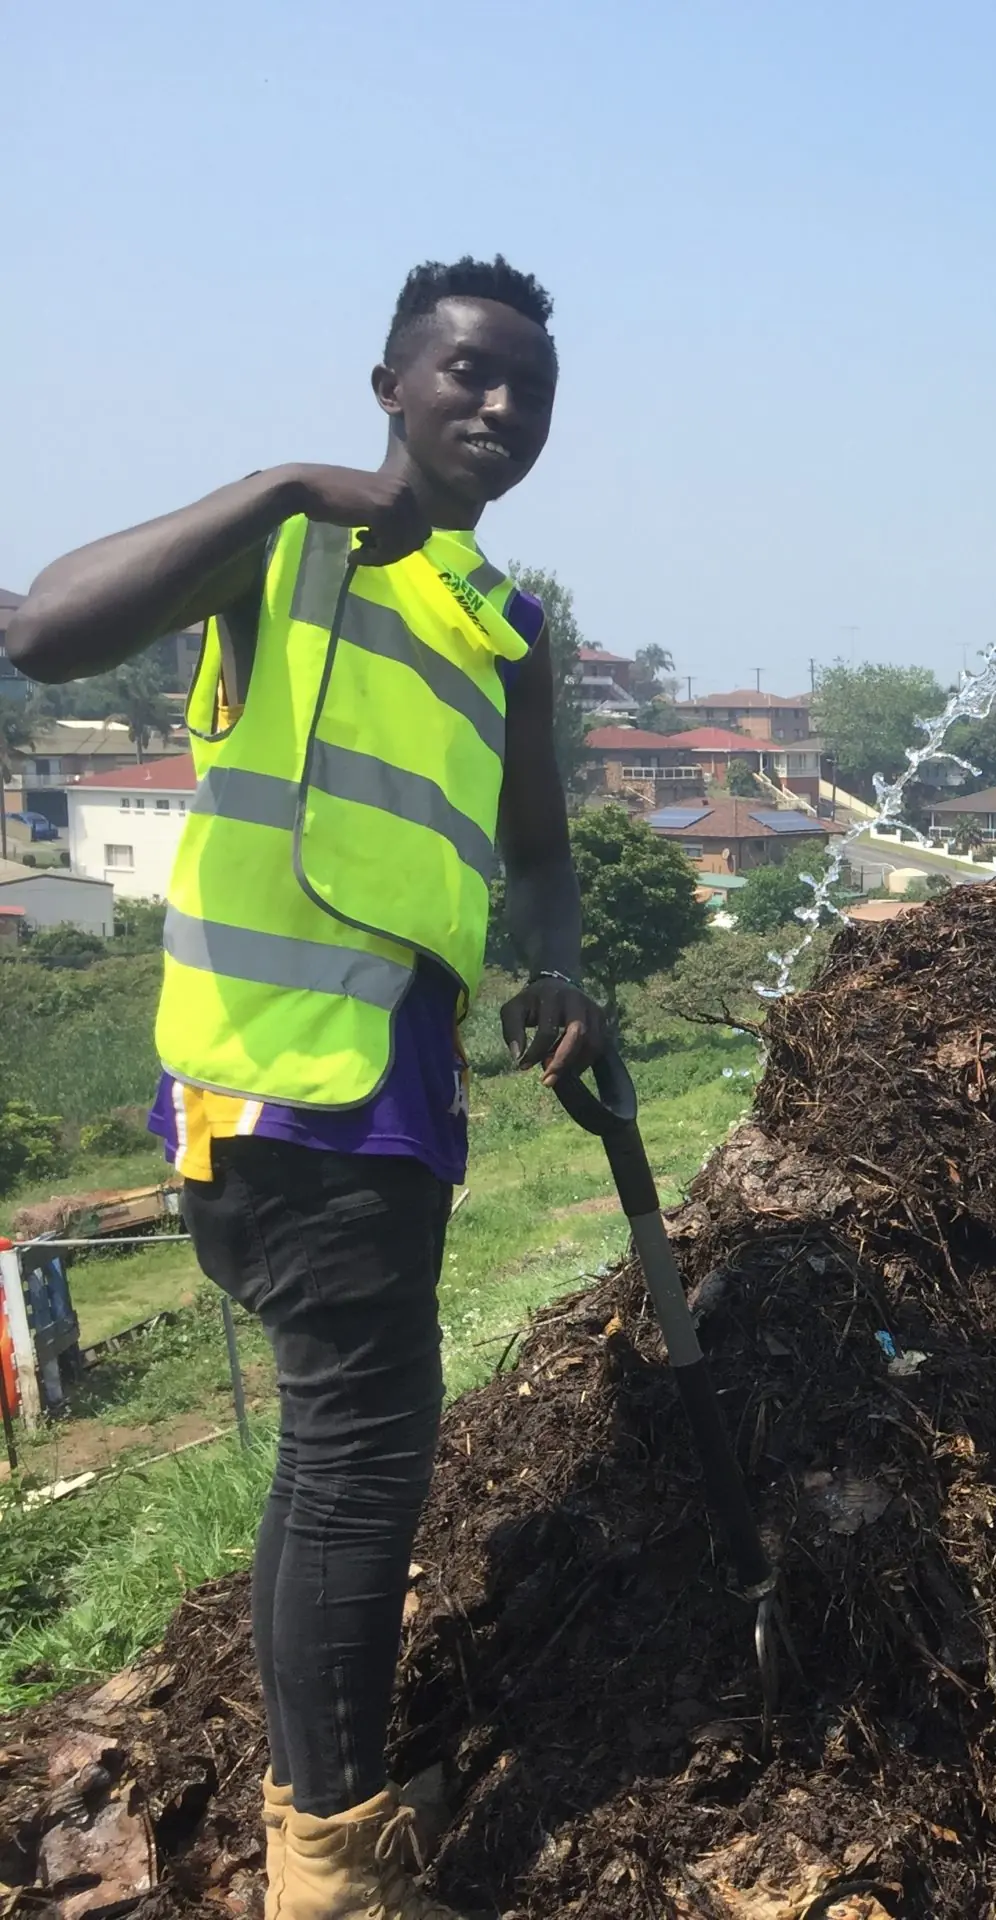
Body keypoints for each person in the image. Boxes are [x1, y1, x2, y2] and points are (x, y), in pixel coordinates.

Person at [7, 256, 604, 1920]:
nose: (499, 408)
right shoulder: (286, 549)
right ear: (392, 386)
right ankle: (331, 1862)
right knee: (357, 1460)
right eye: (469, 374)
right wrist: (277, 486)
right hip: (275, 1096)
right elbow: (45, 633)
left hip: (394, 1095)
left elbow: (541, 860)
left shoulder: (507, 627)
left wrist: (562, 976)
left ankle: (318, 1809)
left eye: (529, 392)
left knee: (346, 1459)